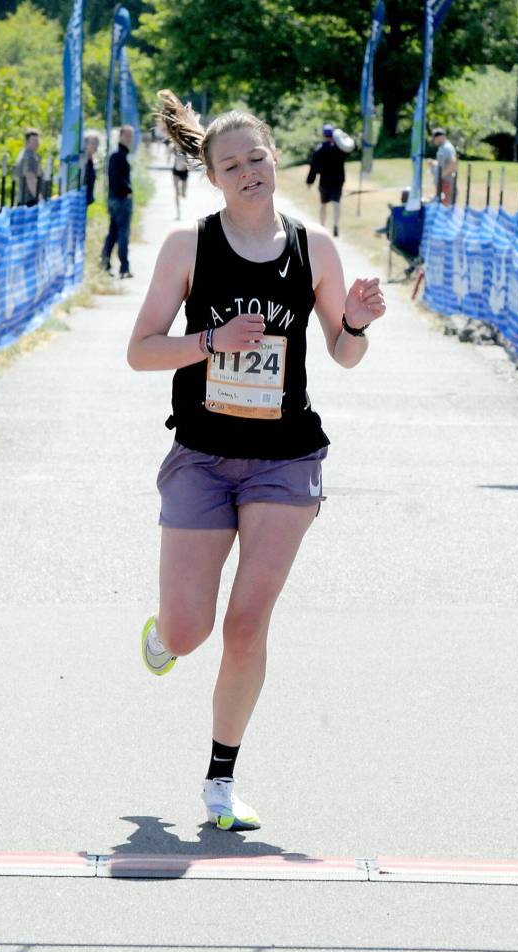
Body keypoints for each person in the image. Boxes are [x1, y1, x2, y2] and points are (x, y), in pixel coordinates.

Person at [127, 90, 386, 831]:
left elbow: (344, 352)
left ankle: (219, 779)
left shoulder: (315, 248)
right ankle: (163, 633)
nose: (247, 172)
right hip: (203, 455)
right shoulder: (189, 247)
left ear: (276, 157)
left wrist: (358, 321)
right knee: (188, 632)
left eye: (257, 158)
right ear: (212, 176)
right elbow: (139, 350)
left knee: (247, 625)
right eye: (230, 164)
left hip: (284, 458)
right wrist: (212, 341)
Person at [102, 125, 134, 279]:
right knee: (122, 234)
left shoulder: (120, 155)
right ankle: (124, 267)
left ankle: (105, 264)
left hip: (115, 200)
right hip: (120, 200)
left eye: (131, 136)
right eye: (127, 136)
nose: (129, 139)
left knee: (113, 233)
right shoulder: (118, 156)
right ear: (120, 136)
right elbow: (116, 180)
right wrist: (128, 190)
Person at [306, 124, 347, 237]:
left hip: (324, 181)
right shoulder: (340, 148)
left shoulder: (320, 149)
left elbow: (313, 167)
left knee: (323, 204)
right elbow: (351, 148)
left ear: (324, 135)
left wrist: (310, 181)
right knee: (336, 203)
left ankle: (322, 226)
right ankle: (336, 225)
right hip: (338, 181)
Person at [430, 127, 458, 206]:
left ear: (439, 137)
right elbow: (443, 163)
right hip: (443, 182)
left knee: (446, 205)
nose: (434, 141)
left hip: (446, 182)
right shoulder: (443, 148)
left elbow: (453, 163)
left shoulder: (447, 148)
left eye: (435, 139)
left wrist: (441, 177)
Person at [14, 127, 42, 206]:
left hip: (23, 199)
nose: (38, 143)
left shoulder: (22, 154)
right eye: (34, 141)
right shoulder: (30, 157)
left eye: (38, 140)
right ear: (28, 142)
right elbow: (30, 179)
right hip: (30, 201)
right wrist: (40, 199)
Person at [171, 146, 189, 219]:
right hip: (176, 172)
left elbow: (189, 162)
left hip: (184, 172)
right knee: (176, 192)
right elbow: (170, 149)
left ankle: (183, 192)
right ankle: (178, 213)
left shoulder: (186, 149)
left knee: (183, 194)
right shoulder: (174, 148)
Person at [83, 130, 100, 206]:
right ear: (85, 144)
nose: (95, 146)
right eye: (93, 143)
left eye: (97, 143)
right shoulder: (82, 161)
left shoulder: (92, 161)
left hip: (86, 201)